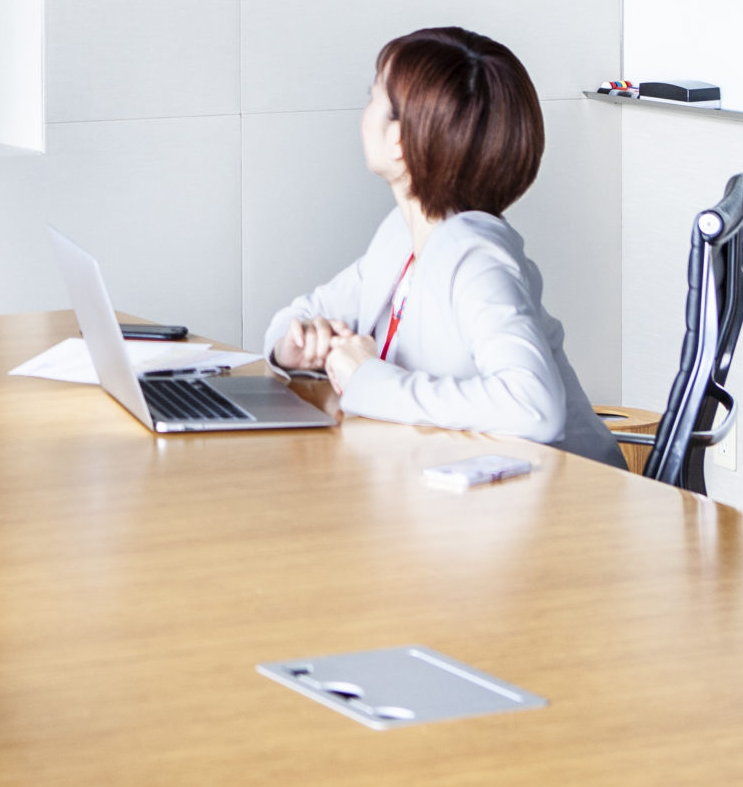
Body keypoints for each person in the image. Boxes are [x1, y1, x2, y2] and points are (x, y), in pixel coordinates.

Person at [263, 27, 623, 466]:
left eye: (373, 95)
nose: (364, 109)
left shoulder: (476, 259)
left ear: (399, 141)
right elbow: (302, 313)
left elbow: (534, 407)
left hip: (570, 510)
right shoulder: (402, 234)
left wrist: (369, 381)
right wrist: (294, 348)